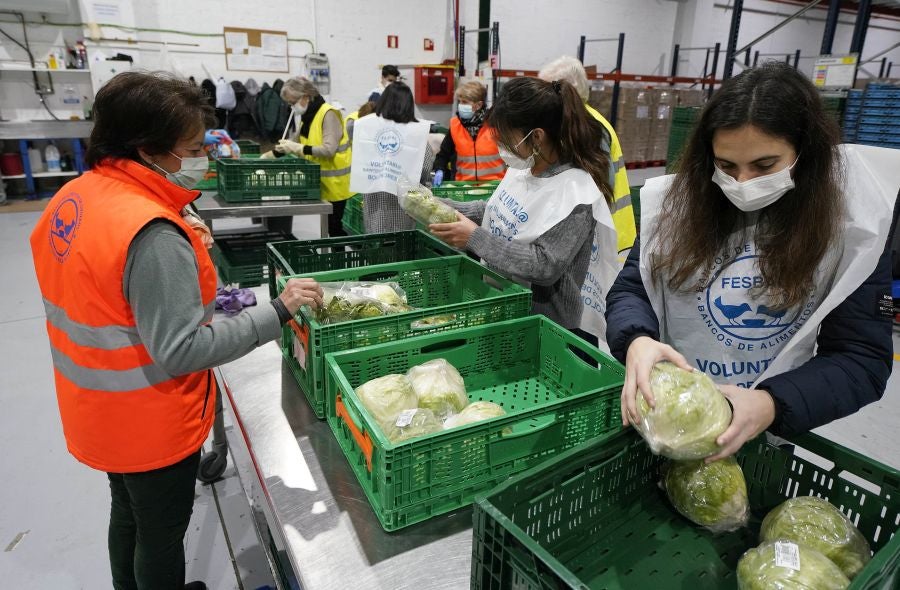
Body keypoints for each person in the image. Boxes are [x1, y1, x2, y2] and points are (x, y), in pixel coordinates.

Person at [29, 71, 324, 590]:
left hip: (96, 403)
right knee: (162, 533)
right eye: (191, 149)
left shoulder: (75, 197)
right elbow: (182, 348)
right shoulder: (149, 231)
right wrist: (276, 312)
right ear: (148, 150)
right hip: (149, 415)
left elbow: (101, 289)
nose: (201, 160)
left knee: (127, 514)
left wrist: (172, 225)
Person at [606, 62, 898, 461]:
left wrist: (772, 403)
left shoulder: (850, 230)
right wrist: (636, 338)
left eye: (764, 166)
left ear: (805, 154)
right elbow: (632, 287)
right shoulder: (677, 208)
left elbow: (860, 359)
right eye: (726, 166)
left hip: (763, 429)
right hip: (663, 413)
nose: (742, 183)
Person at [429, 77, 619, 350]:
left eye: (507, 138)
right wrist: (441, 207)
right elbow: (498, 213)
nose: (501, 146)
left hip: (549, 326)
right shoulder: (524, 169)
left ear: (537, 136)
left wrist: (474, 238)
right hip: (508, 306)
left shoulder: (575, 193)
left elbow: (544, 265)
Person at [539, 55, 636, 257]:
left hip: (608, 239)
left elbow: (595, 189)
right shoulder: (572, 121)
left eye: (547, 90)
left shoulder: (590, 127)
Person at [265, 76, 352, 238]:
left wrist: (297, 148)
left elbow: (328, 150)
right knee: (329, 227)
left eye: (293, 102)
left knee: (334, 228)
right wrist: (271, 154)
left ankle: (342, 259)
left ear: (306, 96)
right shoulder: (308, 117)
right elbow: (295, 141)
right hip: (320, 182)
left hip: (335, 184)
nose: (292, 107)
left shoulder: (328, 114)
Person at [353, 81, 435, 232]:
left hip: (374, 211)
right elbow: (425, 174)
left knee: (377, 249)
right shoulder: (417, 138)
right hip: (404, 214)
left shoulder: (367, 133)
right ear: (409, 105)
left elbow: (360, 168)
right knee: (402, 252)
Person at [432, 80, 505, 186]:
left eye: (465, 102)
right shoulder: (455, 125)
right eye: (460, 101)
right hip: (463, 189)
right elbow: (443, 155)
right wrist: (439, 170)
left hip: (494, 188)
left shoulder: (496, 125)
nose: (461, 105)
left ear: (479, 105)